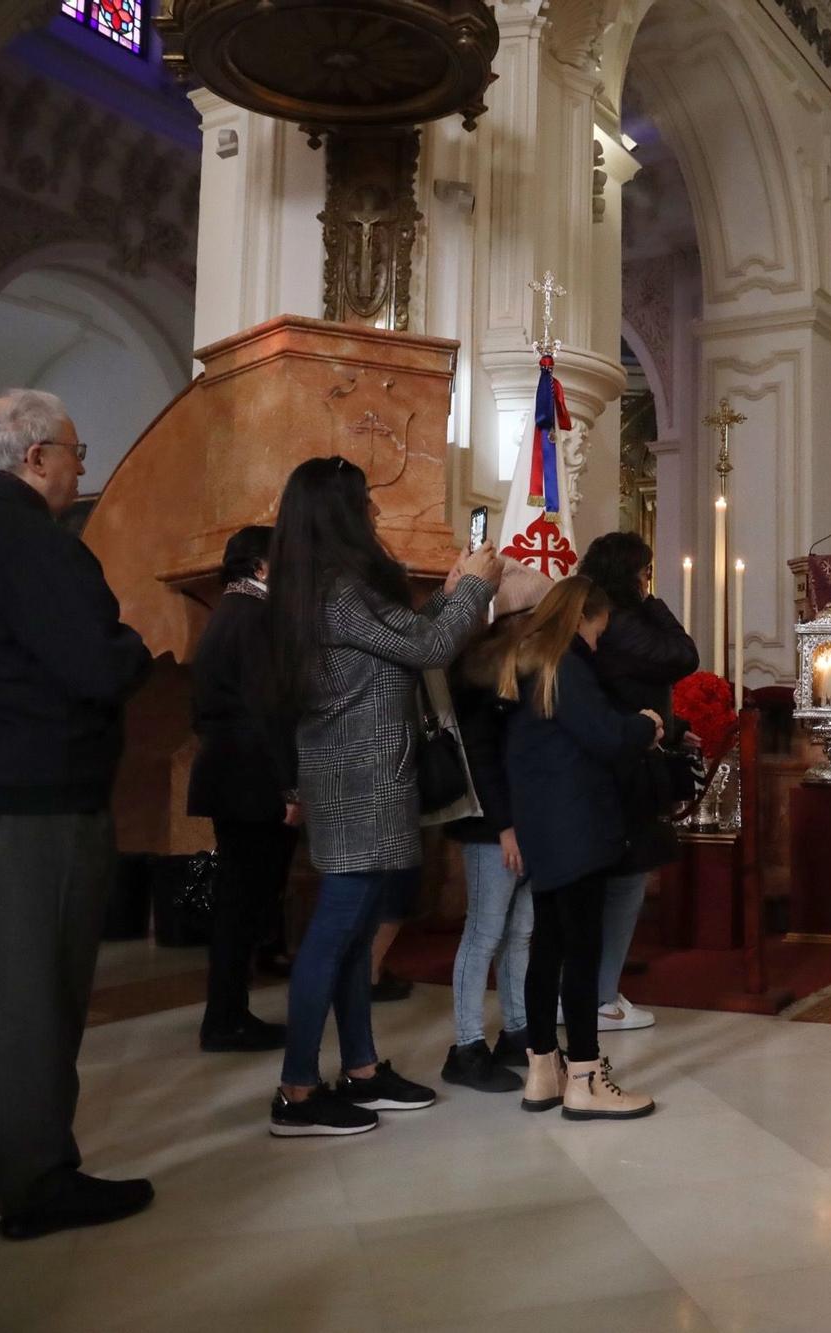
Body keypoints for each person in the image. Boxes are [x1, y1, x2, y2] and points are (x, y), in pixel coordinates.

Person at [0, 389, 154, 1239]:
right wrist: (135, 646)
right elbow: (95, 664)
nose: (82, 470)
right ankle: (39, 1177)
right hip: (37, 798)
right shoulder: (42, 547)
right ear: (38, 455)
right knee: (39, 986)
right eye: (78, 454)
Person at [263, 456, 499, 1138]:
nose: (373, 513)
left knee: (355, 932)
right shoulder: (337, 589)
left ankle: (361, 1068)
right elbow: (427, 646)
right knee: (334, 936)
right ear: (340, 513)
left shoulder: (327, 587)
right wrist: (473, 591)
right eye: (364, 502)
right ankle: (297, 1092)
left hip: (361, 777)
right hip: (358, 781)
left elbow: (403, 643)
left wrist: (448, 596)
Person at [500, 576, 661, 1121]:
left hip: (542, 823)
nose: (599, 638)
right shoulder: (565, 663)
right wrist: (646, 725)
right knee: (583, 950)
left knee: (548, 945)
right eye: (599, 627)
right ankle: (587, 1076)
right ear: (584, 617)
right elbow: (603, 737)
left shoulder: (527, 660)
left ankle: (544, 1070)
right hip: (577, 825)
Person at [439, 562, 554, 1094]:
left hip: (523, 818)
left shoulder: (520, 661)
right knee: (484, 933)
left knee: (520, 932)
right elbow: (484, 758)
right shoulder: (483, 665)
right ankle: (465, 1047)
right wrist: (507, 827)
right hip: (493, 824)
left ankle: (515, 1030)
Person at [579, 532, 697, 1034]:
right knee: (623, 880)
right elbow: (684, 655)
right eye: (644, 572)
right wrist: (655, 601)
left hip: (624, 754)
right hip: (623, 764)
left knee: (619, 879)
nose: (649, 579)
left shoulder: (613, 622)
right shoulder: (626, 622)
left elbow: (634, 688)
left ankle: (597, 992)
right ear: (629, 575)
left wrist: (673, 728)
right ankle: (599, 997)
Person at [187, 526, 297, 1054]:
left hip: (228, 770)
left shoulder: (223, 616)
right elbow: (268, 710)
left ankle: (227, 1014)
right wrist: (290, 787)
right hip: (253, 777)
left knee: (239, 900)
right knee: (245, 902)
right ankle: (227, 1019)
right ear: (260, 567)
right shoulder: (255, 618)